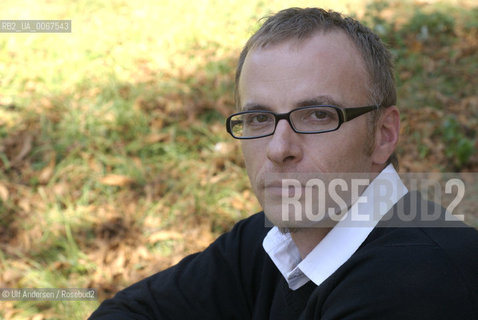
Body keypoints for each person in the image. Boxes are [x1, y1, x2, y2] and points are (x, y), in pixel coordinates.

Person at [90, 7, 478, 319]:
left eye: (317, 115)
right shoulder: (269, 243)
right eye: (259, 118)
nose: (279, 149)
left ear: (384, 134)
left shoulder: (419, 281)